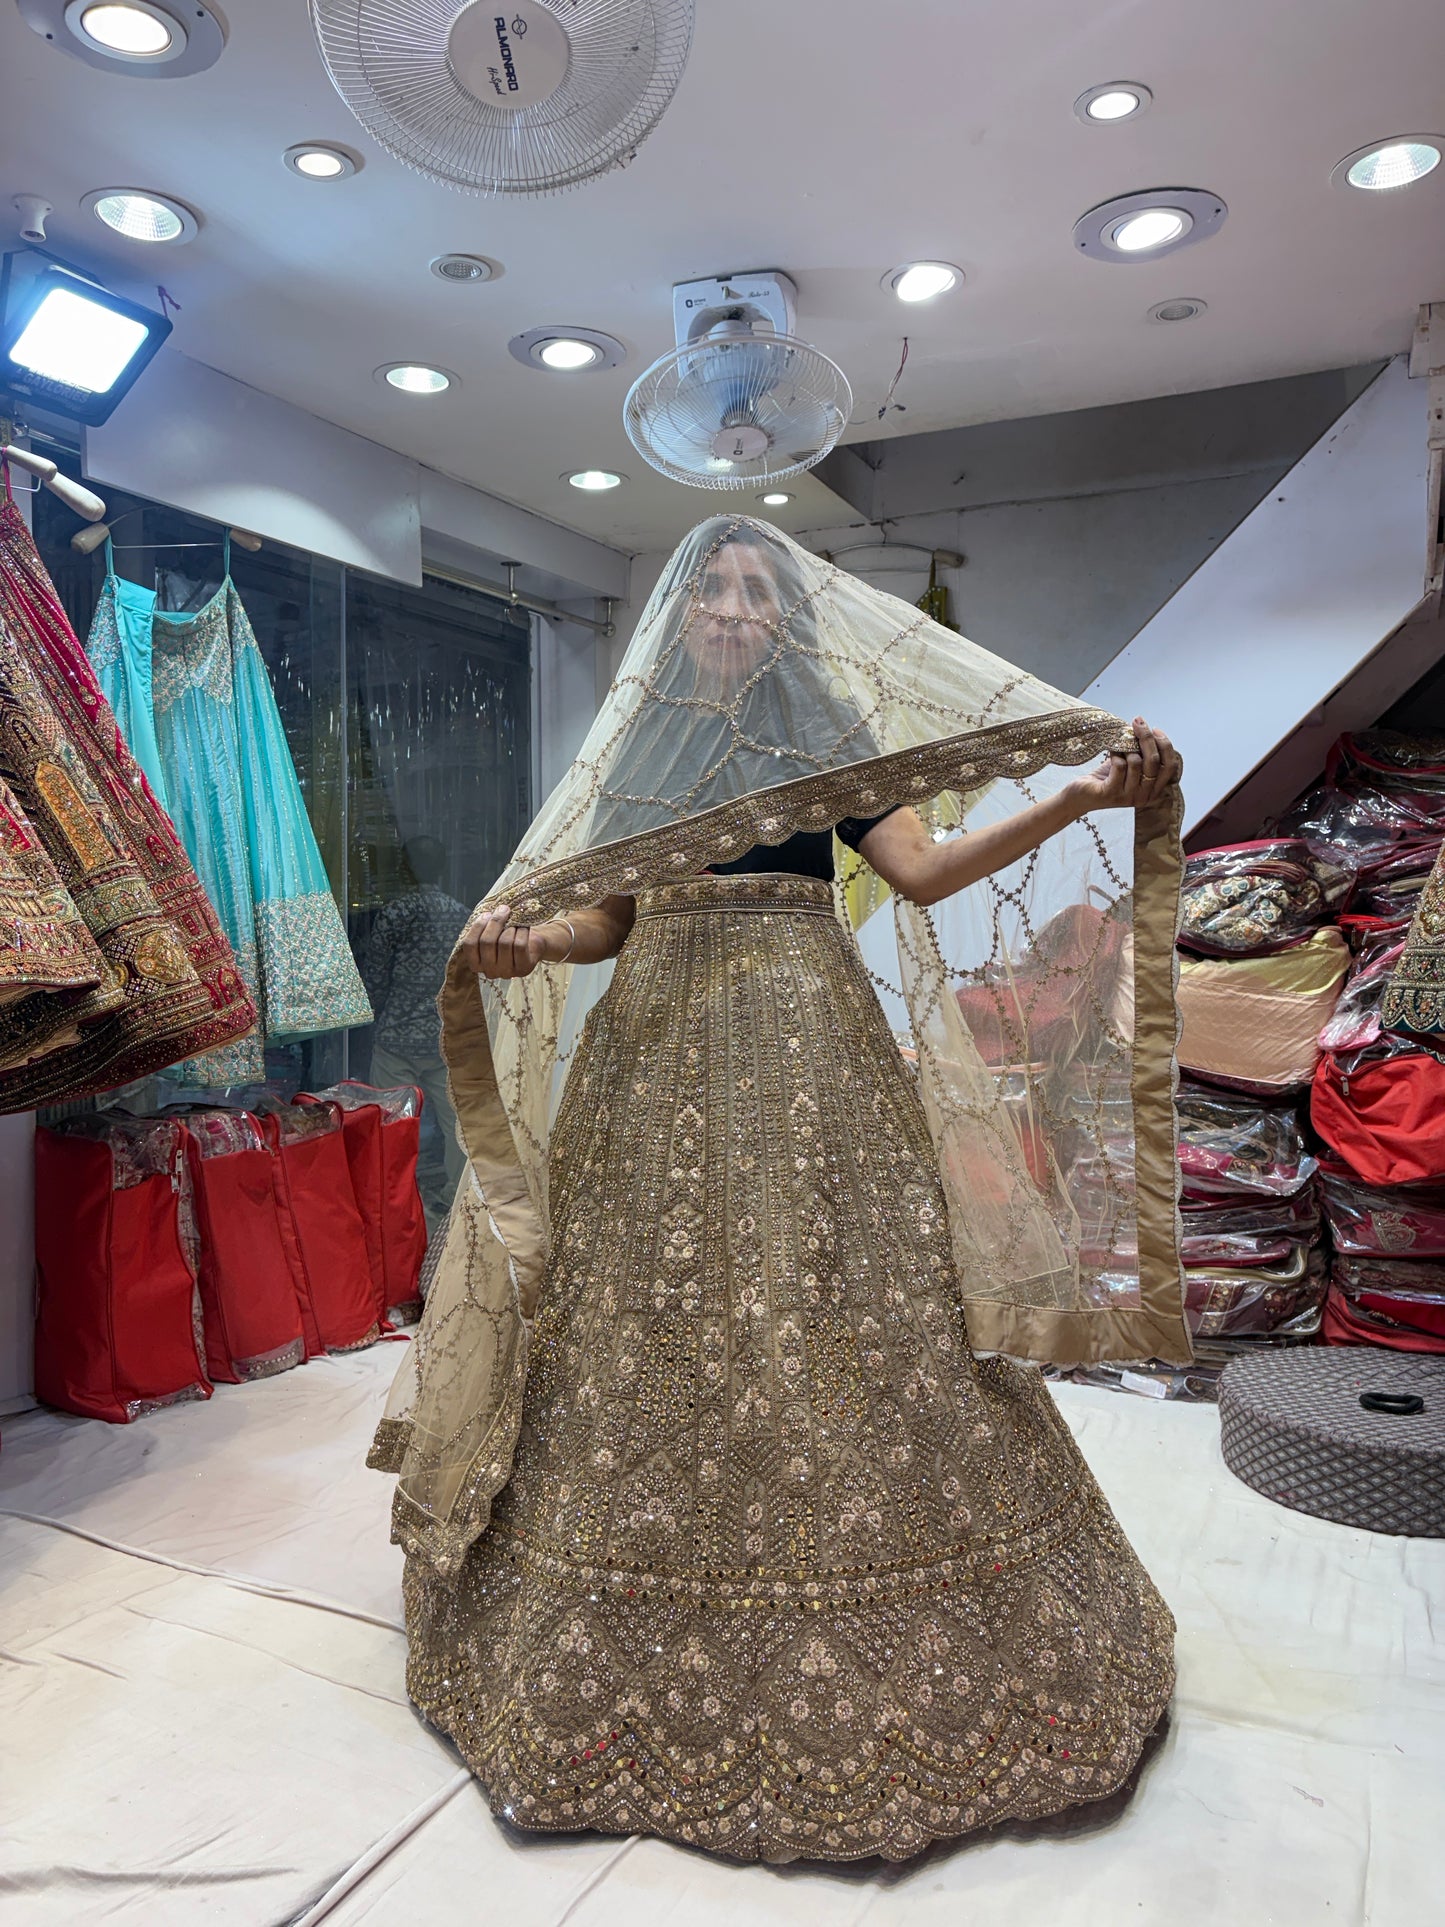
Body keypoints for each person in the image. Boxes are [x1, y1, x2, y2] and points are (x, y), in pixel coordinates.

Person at [372, 517, 1188, 1863]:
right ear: (681, 616)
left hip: (808, 1040)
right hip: (652, 1042)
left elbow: (920, 870)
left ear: (786, 618)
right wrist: (531, 944)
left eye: (760, 590)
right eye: (717, 591)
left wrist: (1075, 799)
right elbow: (606, 919)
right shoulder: (642, 747)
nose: (738, 609)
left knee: (852, 1298)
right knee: (637, 1312)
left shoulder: (823, 726)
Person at [358, 835, 470, 1224]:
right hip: (442, 1036)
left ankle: (392, 1198)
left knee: (390, 1122)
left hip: (396, 1038)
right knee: (456, 1121)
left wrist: (370, 1017)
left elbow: (376, 976)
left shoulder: (395, 913)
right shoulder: (461, 914)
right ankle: (456, 1197)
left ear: (405, 868)